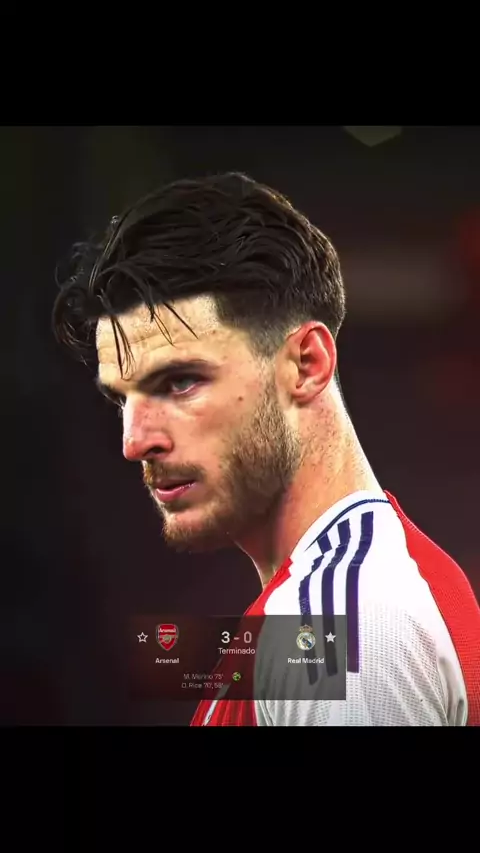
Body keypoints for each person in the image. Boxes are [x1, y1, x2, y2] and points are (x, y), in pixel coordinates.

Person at [52, 171, 480, 726]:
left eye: (179, 382)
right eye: (122, 398)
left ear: (306, 365)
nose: (135, 441)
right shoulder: (335, 603)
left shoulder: (346, 618)